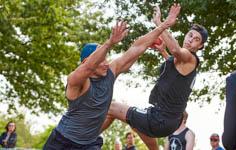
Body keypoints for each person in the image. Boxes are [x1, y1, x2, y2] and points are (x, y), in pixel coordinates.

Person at [43, 3, 180, 149]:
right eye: (101, 60)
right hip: (62, 142)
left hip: (88, 145)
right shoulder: (76, 82)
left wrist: (163, 25)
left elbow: (136, 47)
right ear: (85, 61)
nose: (106, 63)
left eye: (106, 58)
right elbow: (88, 67)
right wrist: (109, 43)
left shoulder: (110, 72)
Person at [101, 4, 208, 150]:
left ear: (200, 46)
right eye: (190, 35)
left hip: (161, 119)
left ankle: (82, 141)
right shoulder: (183, 63)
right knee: (137, 123)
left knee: (111, 107)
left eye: (196, 39)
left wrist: (161, 24)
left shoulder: (190, 57)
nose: (191, 39)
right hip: (168, 120)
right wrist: (164, 52)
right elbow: (175, 70)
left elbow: (176, 50)